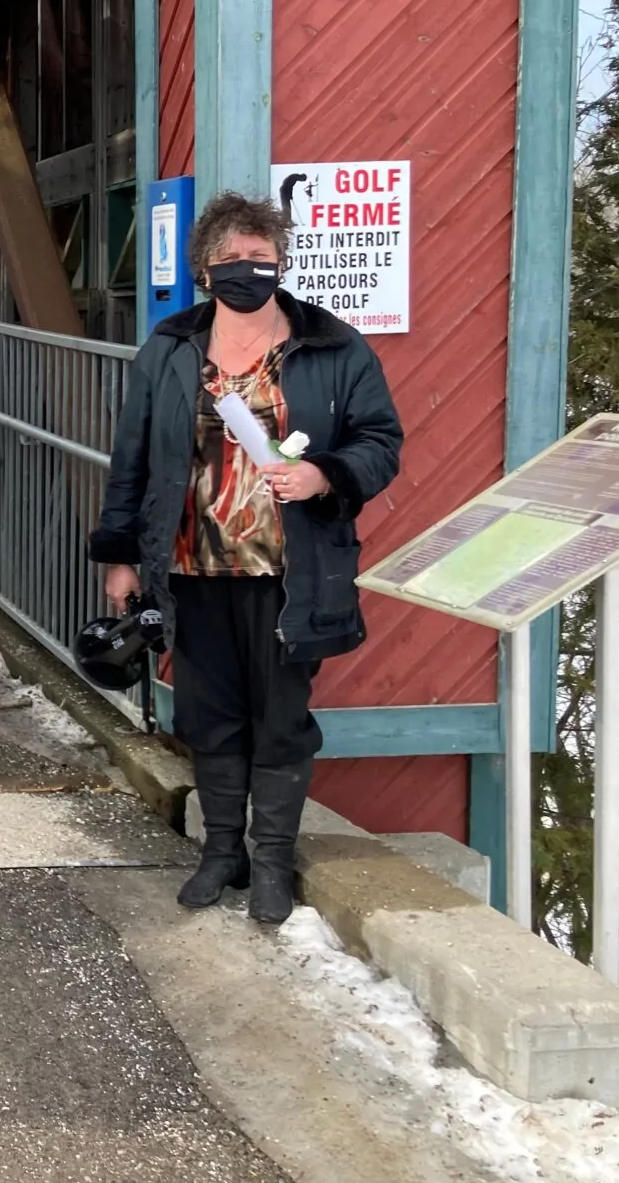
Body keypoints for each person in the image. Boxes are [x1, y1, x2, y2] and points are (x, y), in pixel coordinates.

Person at [90, 191, 402, 925]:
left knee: (281, 721)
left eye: (260, 259)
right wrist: (121, 555)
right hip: (193, 570)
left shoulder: (332, 348)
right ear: (204, 269)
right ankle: (220, 851)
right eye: (231, 259)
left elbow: (380, 441)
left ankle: (269, 863)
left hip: (287, 576)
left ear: (281, 262)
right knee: (211, 718)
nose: (246, 271)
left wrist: (326, 473)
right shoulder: (170, 350)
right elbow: (131, 457)